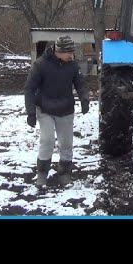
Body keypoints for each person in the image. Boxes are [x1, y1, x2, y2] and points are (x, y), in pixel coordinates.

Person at [24, 35, 90, 188]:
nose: (72, 56)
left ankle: (64, 172)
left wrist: (84, 99)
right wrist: (31, 112)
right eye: (69, 53)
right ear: (59, 51)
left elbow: (80, 83)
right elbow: (29, 89)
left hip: (65, 109)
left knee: (66, 143)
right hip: (45, 108)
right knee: (47, 140)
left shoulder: (72, 65)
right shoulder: (40, 65)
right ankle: (42, 173)